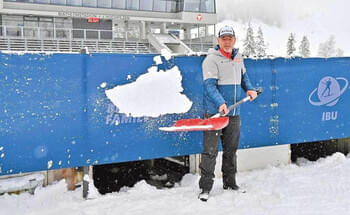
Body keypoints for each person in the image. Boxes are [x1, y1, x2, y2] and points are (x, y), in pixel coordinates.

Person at [198, 25, 258, 201]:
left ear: (234, 40)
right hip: (214, 114)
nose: (227, 41)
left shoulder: (238, 58)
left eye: (229, 38)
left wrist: (250, 89)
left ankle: (230, 183)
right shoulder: (211, 60)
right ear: (218, 40)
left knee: (231, 151)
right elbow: (209, 86)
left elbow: (244, 78)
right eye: (223, 38)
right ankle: (205, 188)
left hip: (234, 113)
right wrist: (221, 103)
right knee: (210, 152)